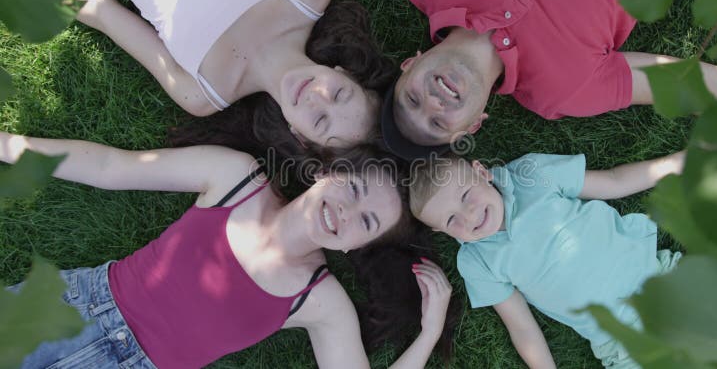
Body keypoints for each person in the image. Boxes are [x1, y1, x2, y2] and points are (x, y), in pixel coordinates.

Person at [0, 131, 452, 368]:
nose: (347, 213)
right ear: (325, 172)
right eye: (353, 188)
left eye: (367, 223)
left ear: (361, 245)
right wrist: (8, 145)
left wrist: (428, 333)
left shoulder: (321, 301)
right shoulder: (235, 177)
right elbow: (110, 166)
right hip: (76, 308)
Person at [0, 0, 396, 153]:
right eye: (340, 94)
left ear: (299, 135)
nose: (317, 98)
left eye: (321, 123)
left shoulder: (203, 92)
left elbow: (104, 13)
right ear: (344, 73)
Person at [380, 0, 717, 160]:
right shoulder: (565, 90)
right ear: (475, 123)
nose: (432, 103)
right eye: (439, 124)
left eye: (412, 99)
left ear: (410, 64)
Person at [409, 150, 691, 367]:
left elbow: (613, 181)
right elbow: (522, 327)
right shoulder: (476, 262)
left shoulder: (531, 175)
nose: (468, 216)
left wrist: (678, 162)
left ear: (481, 172)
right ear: (440, 231)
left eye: (466, 195)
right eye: (450, 220)